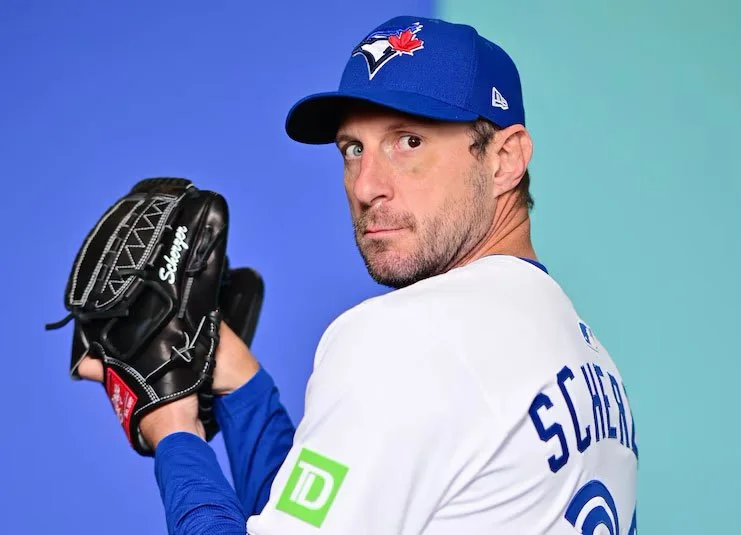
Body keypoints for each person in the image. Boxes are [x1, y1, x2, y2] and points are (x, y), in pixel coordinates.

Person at [79, 15, 639, 534]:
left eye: (409, 141)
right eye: (353, 148)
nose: (367, 186)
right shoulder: (591, 365)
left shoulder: (409, 338)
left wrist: (174, 428)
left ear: (505, 157)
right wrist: (243, 386)